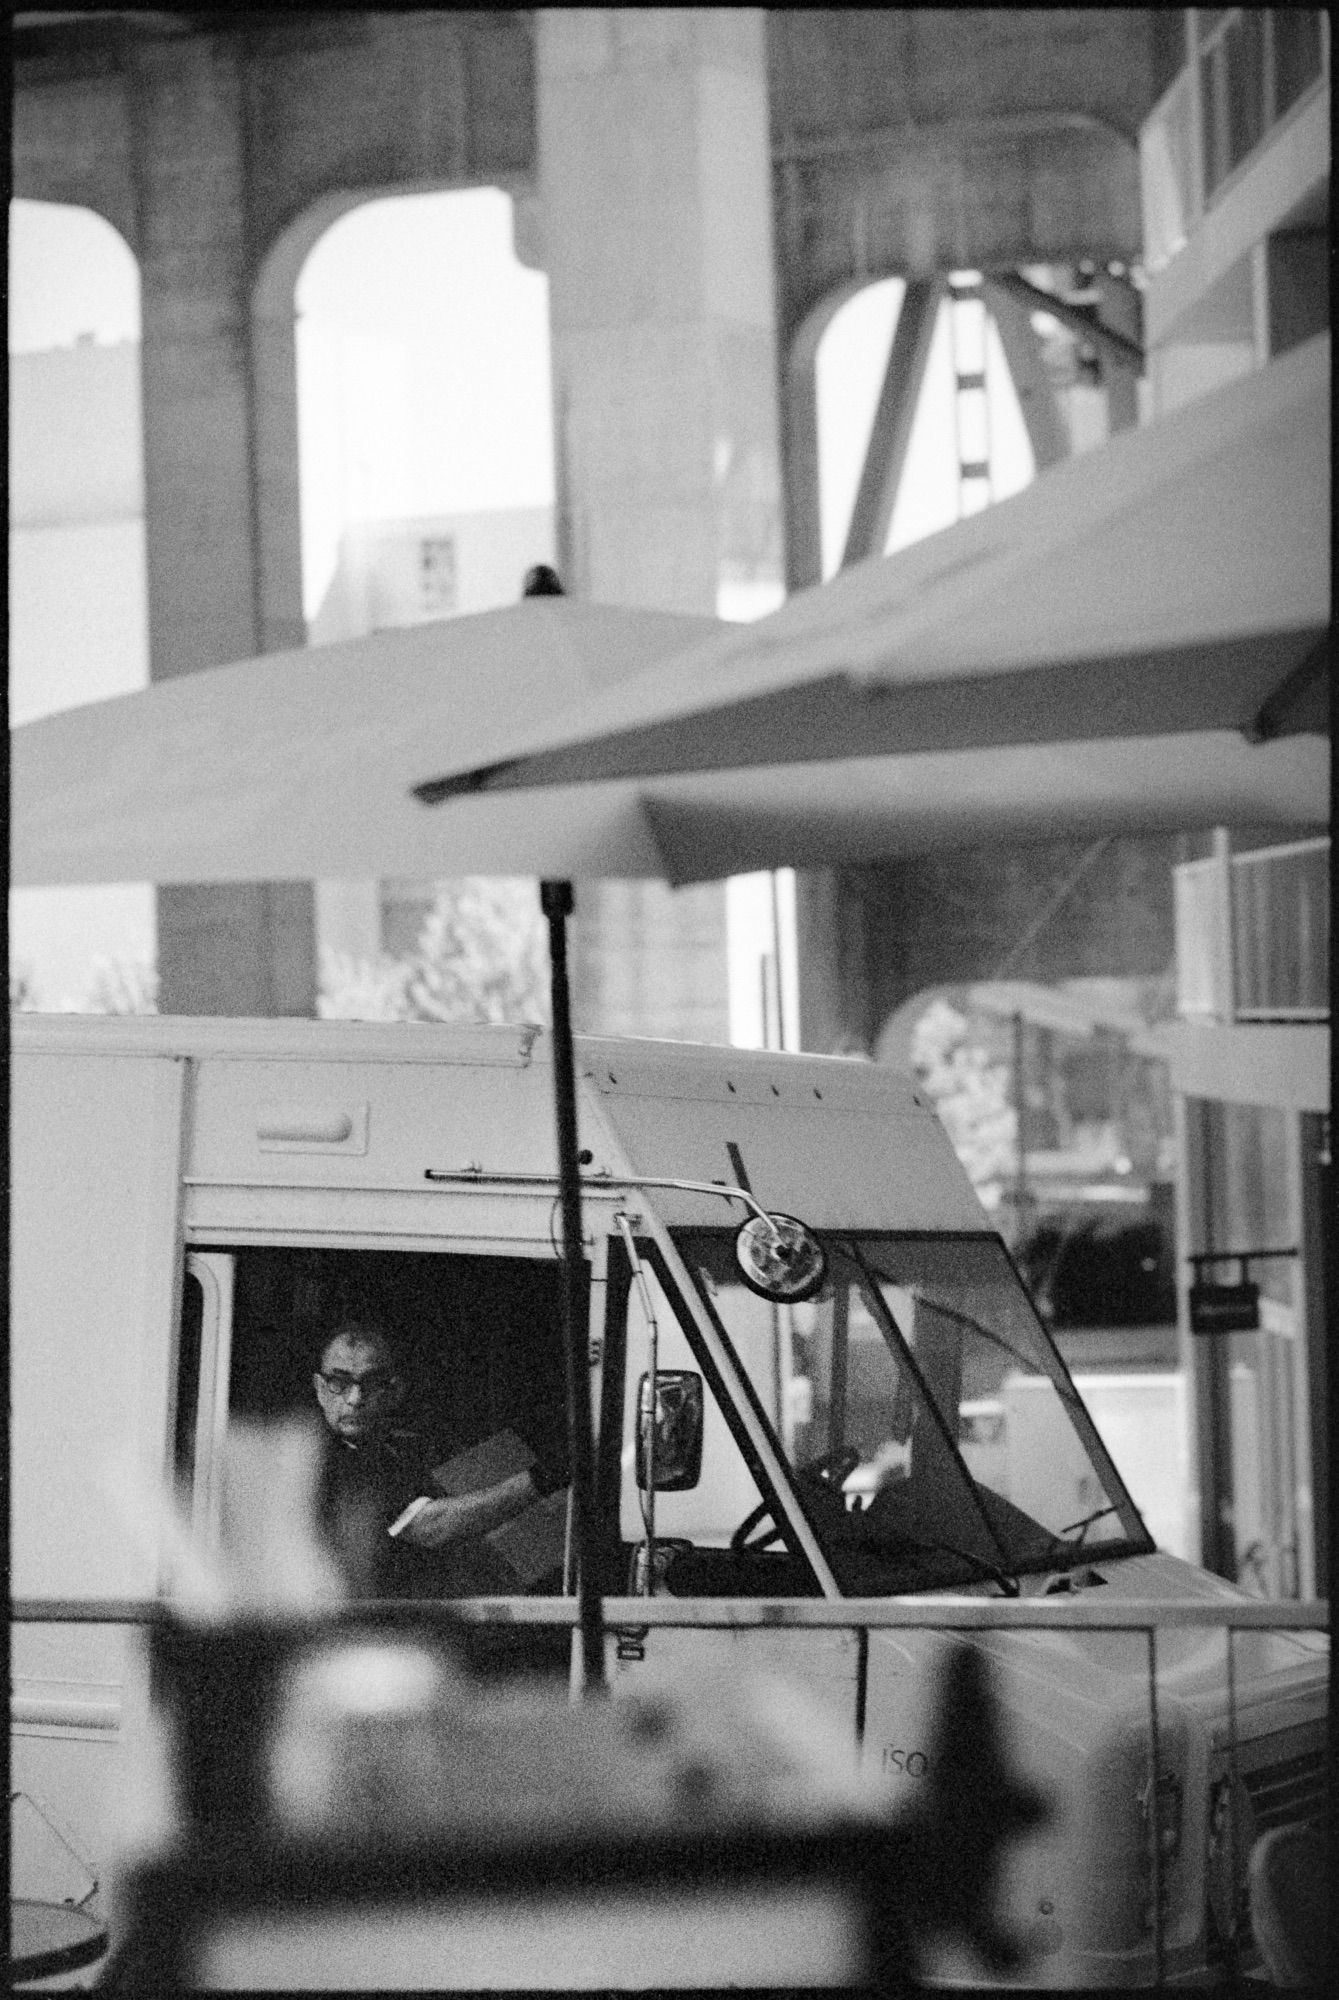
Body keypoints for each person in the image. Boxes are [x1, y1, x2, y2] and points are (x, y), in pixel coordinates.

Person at [312, 1320, 559, 1598]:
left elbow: (537, 1543)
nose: (355, 1398)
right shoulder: (318, 1457)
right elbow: (431, 1526)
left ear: (395, 1390)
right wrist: (544, 1478)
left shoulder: (408, 1447)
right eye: (339, 1383)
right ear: (320, 1389)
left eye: (371, 1383)